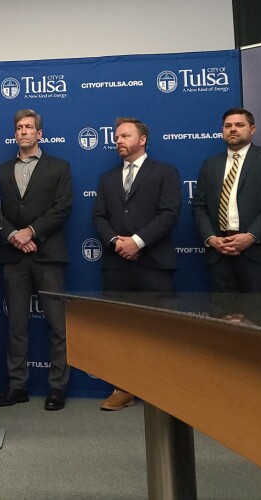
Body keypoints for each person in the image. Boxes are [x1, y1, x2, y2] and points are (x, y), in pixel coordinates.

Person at [93, 117, 181, 411]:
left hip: (154, 263)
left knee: (158, 330)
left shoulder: (165, 172)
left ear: (142, 139)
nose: (118, 140)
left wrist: (138, 241)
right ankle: (123, 388)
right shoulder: (107, 179)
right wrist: (117, 243)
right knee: (120, 331)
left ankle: (161, 391)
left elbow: (169, 214)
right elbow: (99, 218)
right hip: (117, 266)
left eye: (125, 135)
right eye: (116, 136)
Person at [0, 110, 72, 412]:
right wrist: (14, 234)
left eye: (29, 127)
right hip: (13, 255)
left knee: (57, 325)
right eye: (19, 127)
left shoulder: (60, 167)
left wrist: (32, 233)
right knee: (16, 324)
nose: (23, 131)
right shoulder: (0, 171)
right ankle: (17, 386)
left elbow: (63, 207)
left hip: (48, 254)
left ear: (40, 134)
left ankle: (57, 387)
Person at [193, 108, 261, 297]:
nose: (233, 129)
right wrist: (211, 238)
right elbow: (199, 206)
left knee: (260, 315)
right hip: (220, 252)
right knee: (222, 316)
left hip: (259, 253)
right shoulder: (210, 164)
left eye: (239, 125)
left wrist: (251, 236)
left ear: (252, 129)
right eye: (228, 126)